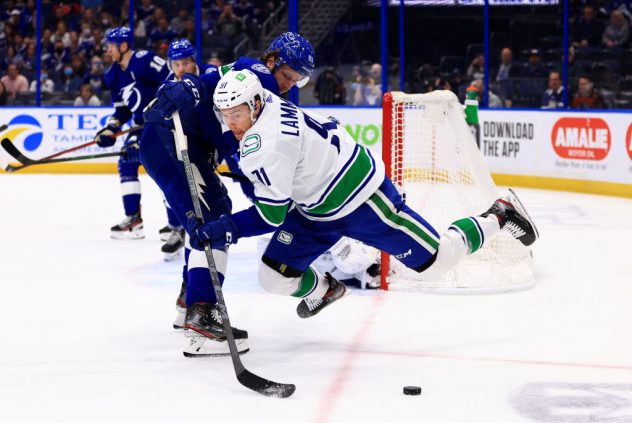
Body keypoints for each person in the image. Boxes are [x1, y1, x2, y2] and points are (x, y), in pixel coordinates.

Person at [185, 69, 538, 321]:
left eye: (236, 113)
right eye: (224, 114)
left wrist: (224, 228)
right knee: (274, 277)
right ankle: (323, 290)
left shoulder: (268, 144)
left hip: (362, 199)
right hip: (316, 208)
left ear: (257, 104)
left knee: (436, 263)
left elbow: (269, 216)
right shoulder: (266, 106)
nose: (230, 122)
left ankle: (500, 214)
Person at [141, 32, 315, 355]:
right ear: (273, 61)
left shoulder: (270, 101)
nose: (289, 85)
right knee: (213, 219)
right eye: (288, 75)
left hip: (187, 147)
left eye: (298, 81)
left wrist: (266, 195)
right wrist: (191, 87)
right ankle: (202, 314)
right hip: (172, 139)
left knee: (215, 211)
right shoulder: (258, 76)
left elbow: (243, 161)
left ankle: (189, 302)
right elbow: (209, 81)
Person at [94, 27, 170, 239]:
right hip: (141, 125)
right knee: (126, 162)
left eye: (111, 46)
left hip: (164, 123)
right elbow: (122, 109)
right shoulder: (113, 74)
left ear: (124, 45)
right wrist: (111, 128)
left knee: (164, 170)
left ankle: (177, 223)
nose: (108, 50)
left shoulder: (145, 60)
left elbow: (171, 82)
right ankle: (134, 219)